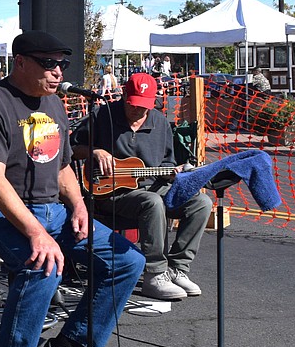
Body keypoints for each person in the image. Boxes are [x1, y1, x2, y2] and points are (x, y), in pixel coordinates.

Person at [0, 31, 144, 347]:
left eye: (61, 63)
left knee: (128, 261)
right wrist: (37, 234)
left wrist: (78, 205)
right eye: (48, 63)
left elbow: (61, 166)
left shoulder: (55, 105)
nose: (57, 71)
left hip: (55, 211)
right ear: (21, 62)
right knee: (43, 265)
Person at [72, 73, 212, 301]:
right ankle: (154, 274)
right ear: (124, 95)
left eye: (145, 106)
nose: (139, 110)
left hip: (153, 187)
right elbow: (72, 147)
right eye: (134, 105)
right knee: (152, 203)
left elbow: (167, 162)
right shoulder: (102, 115)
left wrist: (172, 173)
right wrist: (94, 151)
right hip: (111, 193)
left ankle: (177, 268)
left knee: (201, 203)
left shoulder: (160, 122)